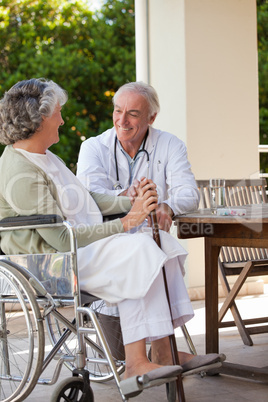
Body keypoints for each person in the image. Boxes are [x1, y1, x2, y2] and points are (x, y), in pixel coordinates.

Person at [0, 78, 222, 380]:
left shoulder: (45, 157)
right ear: (40, 119)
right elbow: (62, 240)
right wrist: (126, 222)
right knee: (139, 249)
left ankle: (163, 350)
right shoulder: (21, 171)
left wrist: (125, 199)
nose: (63, 120)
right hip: (51, 265)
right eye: (58, 114)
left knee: (161, 247)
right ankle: (135, 363)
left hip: (77, 254)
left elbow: (84, 198)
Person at [77, 81, 200, 233]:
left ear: (151, 118)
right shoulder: (93, 147)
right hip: (106, 238)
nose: (122, 121)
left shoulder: (170, 145)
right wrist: (125, 195)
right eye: (118, 111)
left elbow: (189, 194)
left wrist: (168, 206)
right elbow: (87, 199)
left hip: (151, 237)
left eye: (133, 114)